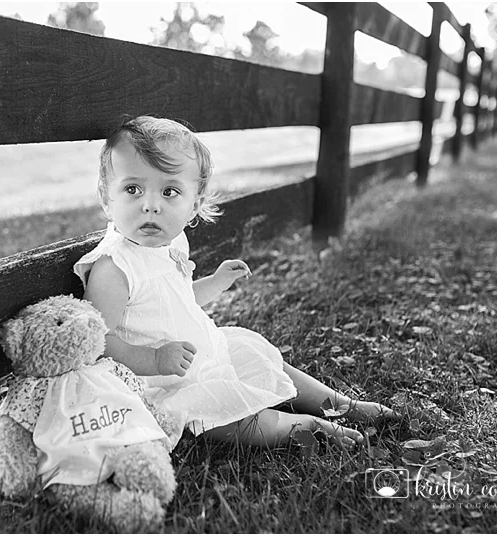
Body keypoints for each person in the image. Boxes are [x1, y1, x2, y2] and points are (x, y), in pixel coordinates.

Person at [74, 116, 399, 451]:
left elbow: (176, 301)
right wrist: (154, 360)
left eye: (170, 191)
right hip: (164, 384)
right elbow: (98, 342)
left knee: (266, 359)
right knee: (242, 424)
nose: (151, 204)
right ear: (106, 197)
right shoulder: (115, 267)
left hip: (204, 354)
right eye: (133, 189)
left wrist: (216, 282)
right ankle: (308, 425)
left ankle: (341, 404)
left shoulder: (170, 244)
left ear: (194, 205)